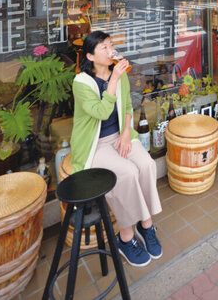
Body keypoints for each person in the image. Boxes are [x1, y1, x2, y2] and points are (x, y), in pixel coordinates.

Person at [70, 30, 162, 268]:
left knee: (146, 164)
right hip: (95, 144)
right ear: (90, 56)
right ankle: (126, 237)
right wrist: (113, 80)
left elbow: (128, 105)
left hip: (120, 135)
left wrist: (124, 133)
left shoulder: (118, 74)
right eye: (104, 47)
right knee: (127, 173)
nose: (110, 50)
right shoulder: (82, 83)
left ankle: (147, 225)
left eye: (110, 45)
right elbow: (101, 112)